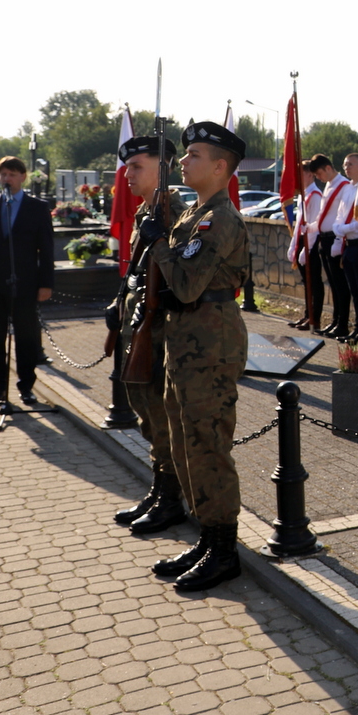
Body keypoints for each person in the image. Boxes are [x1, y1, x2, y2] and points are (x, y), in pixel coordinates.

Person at [144, 121, 252, 592]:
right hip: (184, 337)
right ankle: (207, 536)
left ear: (220, 167)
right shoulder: (193, 213)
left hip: (211, 341)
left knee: (208, 443)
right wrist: (162, 229)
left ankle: (224, 548)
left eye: (194, 156)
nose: (182, 162)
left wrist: (159, 241)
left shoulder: (221, 218)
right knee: (185, 440)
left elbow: (186, 283)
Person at [107, 135, 189, 535]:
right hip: (139, 328)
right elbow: (140, 270)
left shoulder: (175, 214)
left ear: (164, 169)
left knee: (161, 419)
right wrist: (120, 300)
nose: (128, 174)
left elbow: (181, 280)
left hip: (161, 336)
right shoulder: (145, 214)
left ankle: (172, 498)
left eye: (138, 166)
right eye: (127, 167)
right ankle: (160, 489)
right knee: (146, 416)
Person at [0, 156, 55, 406]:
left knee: (26, 339)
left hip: (25, 284)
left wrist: (46, 283)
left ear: (23, 177)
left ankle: (26, 387)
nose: (7, 179)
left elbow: (46, 249)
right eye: (3, 174)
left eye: (12, 174)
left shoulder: (37, 208)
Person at [328, 153, 358, 345]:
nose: (346, 167)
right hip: (349, 244)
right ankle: (357, 328)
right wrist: (338, 228)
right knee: (354, 291)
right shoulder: (348, 189)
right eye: (345, 164)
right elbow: (339, 215)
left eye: (351, 164)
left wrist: (342, 229)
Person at [314, 156, 355, 339]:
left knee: (340, 285)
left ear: (328, 168)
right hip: (325, 238)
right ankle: (336, 320)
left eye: (320, 173)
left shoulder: (344, 185)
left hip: (336, 238)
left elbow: (343, 214)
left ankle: (342, 323)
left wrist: (339, 240)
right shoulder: (330, 185)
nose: (319, 177)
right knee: (333, 284)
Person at [287, 159, 325, 330]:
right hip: (303, 241)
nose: (298, 178)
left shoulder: (315, 195)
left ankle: (314, 318)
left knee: (314, 282)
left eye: (301, 174)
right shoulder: (304, 195)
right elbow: (299, 224)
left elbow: (314, 225)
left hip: (312, 242)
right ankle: (307, 314)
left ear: (310, 175)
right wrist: (294, 244)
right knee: (306, 282)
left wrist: (307, 250)